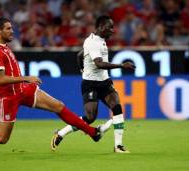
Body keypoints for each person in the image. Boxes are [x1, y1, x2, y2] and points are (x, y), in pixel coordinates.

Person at [0, 17, 103, 149]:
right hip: (8, 97)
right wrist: (26, 78)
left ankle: (92, 133)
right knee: (2, 138)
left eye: (11, 28)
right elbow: (1, 79)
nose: (12, 31)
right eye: (8, 28)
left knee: (59, 106)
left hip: (23, 90)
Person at [51, 15, 135, 153]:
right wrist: (122, 65)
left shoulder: (100, 40)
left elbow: (80, 55)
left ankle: (118, 146)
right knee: (90, 118)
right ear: (101, 27)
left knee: (117, 108)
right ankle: (61, 133)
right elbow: (99, 64)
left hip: (105, 82)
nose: (112, 30)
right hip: (90, 84)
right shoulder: (92, 42)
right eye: (110, 27)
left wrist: (82, 69)